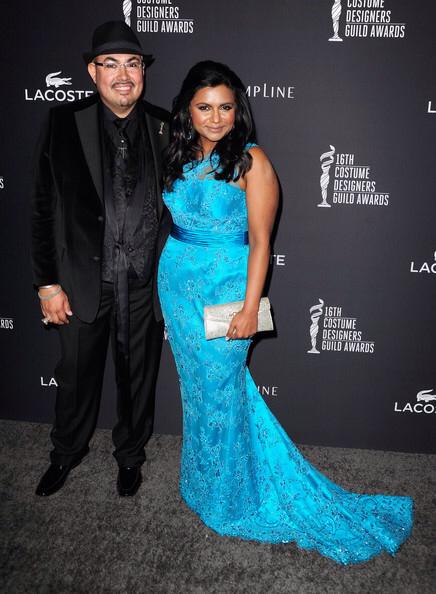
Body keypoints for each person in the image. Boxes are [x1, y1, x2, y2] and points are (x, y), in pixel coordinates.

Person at [158, 61, 413, 564]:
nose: (215, 118)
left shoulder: (252, 162)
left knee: (223, 390)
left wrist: (251, 307)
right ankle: (205, 482)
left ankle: (234, 497)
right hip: (177, 289)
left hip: (227, 292)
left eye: (225, 107)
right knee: (199, 393)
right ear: (187, 109)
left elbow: (260, 243)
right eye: (204, 107)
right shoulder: (180, 154)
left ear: (239, 109)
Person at [31, 21, 171, 497]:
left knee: (137, 381)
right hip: (81, 282)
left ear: (143, 72)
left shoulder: (164, 125)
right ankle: (66, 452)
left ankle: (130, 456)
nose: (123, 75)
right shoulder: (63, 123)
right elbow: (43, 207)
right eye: (111, 64)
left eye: (132, 64)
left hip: (144, 284)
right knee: (74, 378)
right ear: (93, 72)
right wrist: (46, 283)